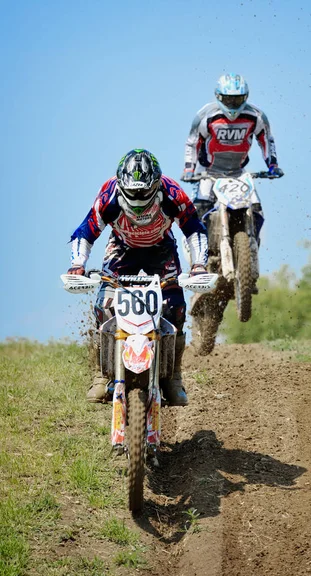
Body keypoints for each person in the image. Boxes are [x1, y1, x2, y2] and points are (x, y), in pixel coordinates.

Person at [67, 149, 208, 406]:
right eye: (133, 193)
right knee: (104, 306)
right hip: (122, 249)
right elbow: (85, 231)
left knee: (175, 307)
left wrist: (198, 265)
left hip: (161, 249)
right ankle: (102, 375)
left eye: (145, 192)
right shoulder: (108, 196)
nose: (139, 199)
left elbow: (194, 229)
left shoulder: (172, 193)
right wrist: (77, 265)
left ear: (156, 184)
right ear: (122, 184)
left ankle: (173, 377)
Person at [181, 72, 284, 242]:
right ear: (218, 96)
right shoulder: (206, 116)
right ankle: (200, 250)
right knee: (200, 208)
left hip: (238, 172)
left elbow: (266, 140)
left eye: (237, 99)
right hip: (208, 171)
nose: (232, 104)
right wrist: (189, 169)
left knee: (257, 209)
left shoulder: (256, 116)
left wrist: (272, 165)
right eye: (228, 99)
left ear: (246, 97)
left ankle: (251, 247)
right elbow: (193, 142)